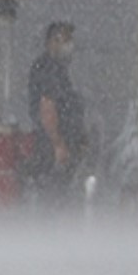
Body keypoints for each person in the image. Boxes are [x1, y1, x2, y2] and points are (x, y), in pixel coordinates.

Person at [24, 22, 86, 210]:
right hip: (51, 148)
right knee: (54, 198)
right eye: (66, 40)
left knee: (60, 195)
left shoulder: (58, 69)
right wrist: (58, 144)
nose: (70, 46)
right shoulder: (48, 68)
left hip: (59, 143)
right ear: (53, 41)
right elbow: (47, 107)